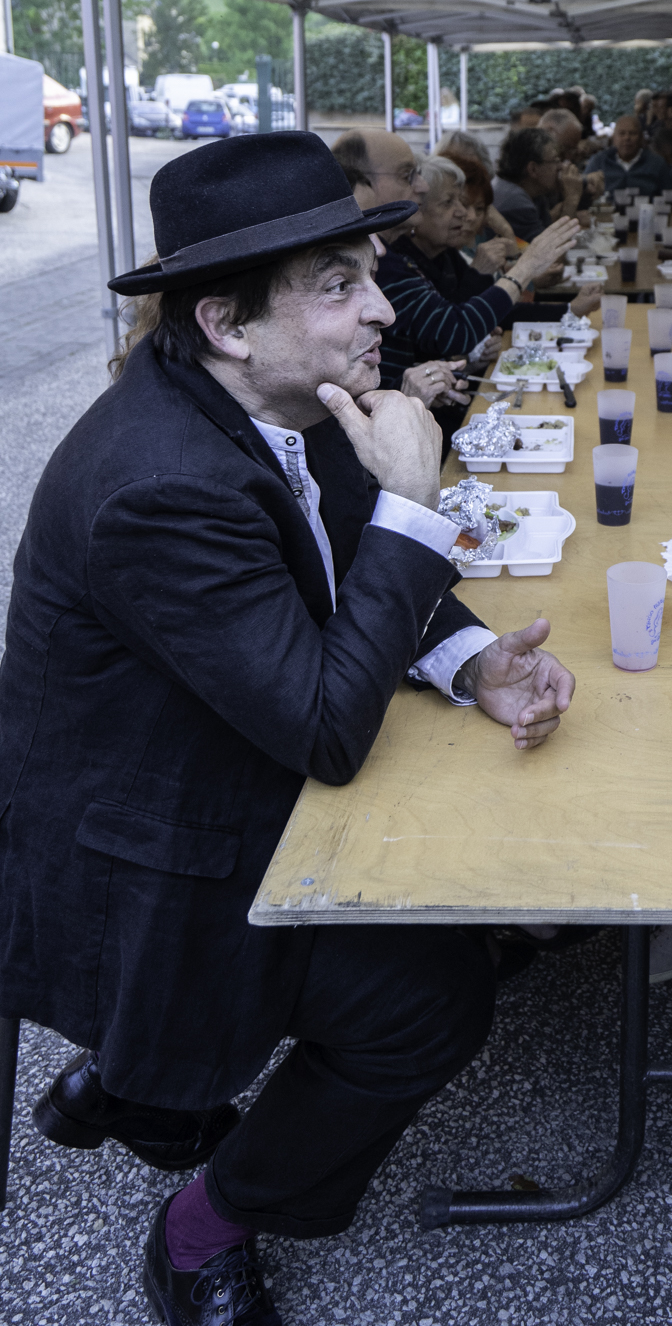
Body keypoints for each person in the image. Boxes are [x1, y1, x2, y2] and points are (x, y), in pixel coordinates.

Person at [0, 132, 577, 1326]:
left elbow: (349, 554)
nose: (382, 312)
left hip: (220, 768)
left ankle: (138, 1088)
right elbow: (325, 725)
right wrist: (417, 506)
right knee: (429, 1001)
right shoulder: (160, 485)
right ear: (224, 321)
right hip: (151, 853)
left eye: (369, 272)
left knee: (457, 901)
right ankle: (198, 1223)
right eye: (340, 286)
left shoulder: (272, 396)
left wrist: (472, 665)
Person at [332, 131, 578, 387]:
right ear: (360, 185)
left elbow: (450, 331)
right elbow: (454, 331)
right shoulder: (379, 263)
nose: (422, 187)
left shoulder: (393, 255)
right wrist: (526, 267)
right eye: (407, 175)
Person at [492, 124, 585, 241]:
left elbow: (546, 233)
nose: (561, 167)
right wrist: (572, 199)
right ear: (533, 169)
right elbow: (550, 254)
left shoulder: (533, 192)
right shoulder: (515, 202)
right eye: (555, 161)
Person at [583, 112, 667, 198]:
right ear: (614, 138)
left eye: (632, 133)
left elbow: (670, 196)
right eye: (622, 133)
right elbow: (583, 190)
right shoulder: (599, 161)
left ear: (641, 138)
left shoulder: (657, 163)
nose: (627, 138)